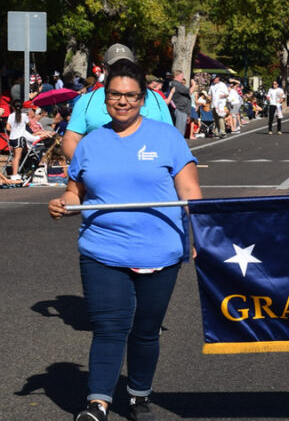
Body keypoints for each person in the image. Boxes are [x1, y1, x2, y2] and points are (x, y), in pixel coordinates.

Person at [48, 59, 201, 421]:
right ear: (104, 98)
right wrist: (62, 204)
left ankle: (138, 397)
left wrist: (205, 236)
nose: (122, 102)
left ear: (143, 98)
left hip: (161, 250)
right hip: (103, 249)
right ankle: (97, 402)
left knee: (146, 330)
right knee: (110, 327)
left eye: (131, 96)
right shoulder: (89, 144)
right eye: (115, 94)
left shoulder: (167, 138)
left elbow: (191, 194)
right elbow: (75, 193)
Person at [62, 44, 173, 159]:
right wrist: (84, 166)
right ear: (105, 69)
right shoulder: (86, 100)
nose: (121, 70)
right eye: (115, 67)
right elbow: (70, 139)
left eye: (126, 66)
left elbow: (170, 138)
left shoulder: (155, 98)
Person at [169, 70, 194, 138]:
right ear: (177, 76)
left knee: (181, 129)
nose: (182, 78)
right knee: (180, 129)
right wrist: (194, 84)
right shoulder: (176, 84)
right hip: (180, 108)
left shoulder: (176, 84)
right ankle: (178, 145)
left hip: (183, 109)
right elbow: (189, 91)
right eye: (181, 76)